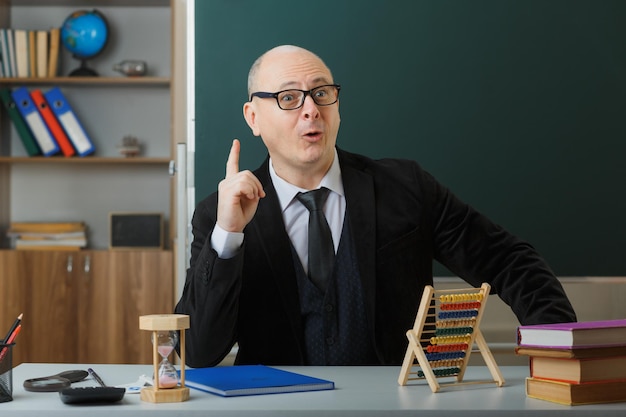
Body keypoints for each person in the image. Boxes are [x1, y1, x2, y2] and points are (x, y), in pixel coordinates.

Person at [175, 44, 576, 368]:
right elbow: (198, 351)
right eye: (288, 98)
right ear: (253, 116)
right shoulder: (220, 214)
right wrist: (227, 237)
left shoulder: (406, 188)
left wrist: (562, 351)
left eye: (321, 93)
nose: (311, 109)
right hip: (277, 408)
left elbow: (508, 260)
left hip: (397, 406)